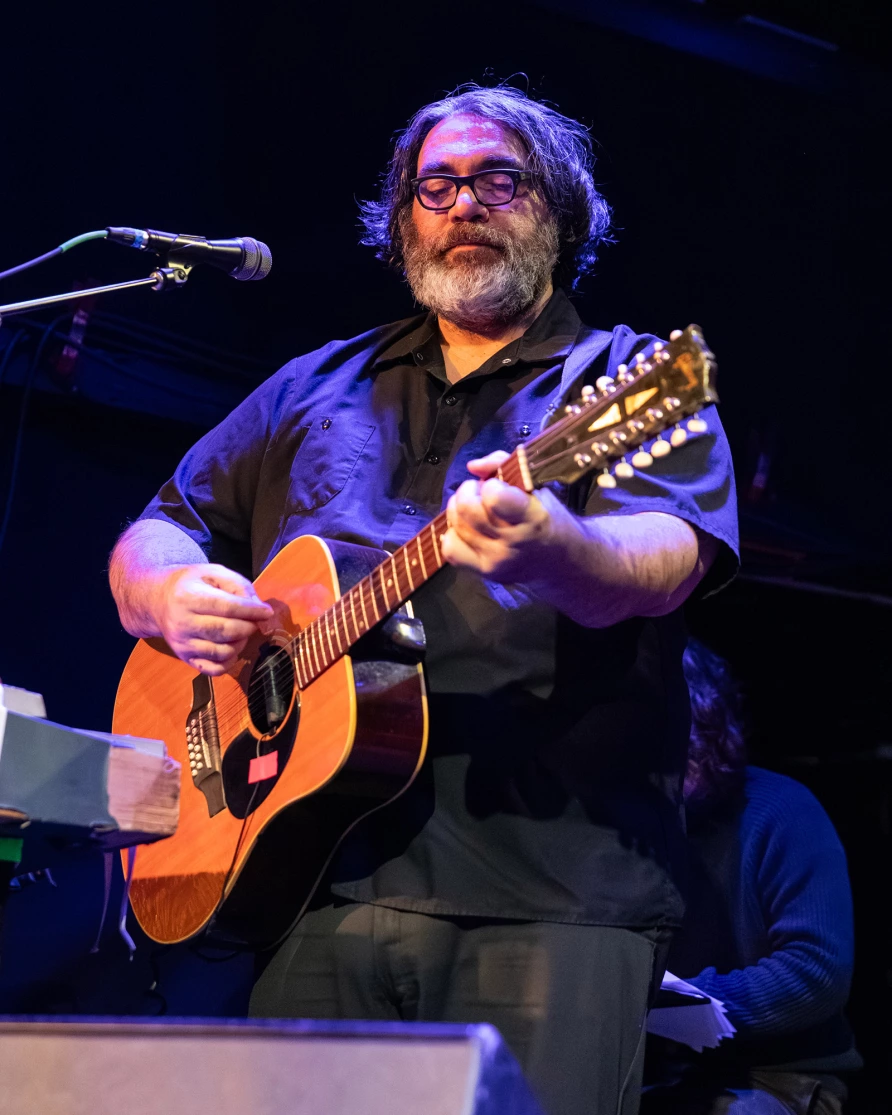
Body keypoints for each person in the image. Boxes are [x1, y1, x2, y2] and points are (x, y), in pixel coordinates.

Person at [109, 85, 739, 1115]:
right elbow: (158, 524)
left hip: (551, 893)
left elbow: (667, 552)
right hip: (314, 883)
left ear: (559, 210)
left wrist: (557, 548)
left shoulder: (620, 377)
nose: (462, 204)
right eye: (434, 186)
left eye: (499, 179)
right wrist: (167, 593)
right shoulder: (314, 383)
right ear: (402, 217)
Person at [642, 641, 860, 1115]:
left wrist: (666, 1008)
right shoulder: (630, 825)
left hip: (783, 1076)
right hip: (657, 1073)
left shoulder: (782, 809)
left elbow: (816, 972)